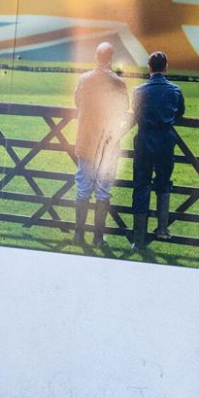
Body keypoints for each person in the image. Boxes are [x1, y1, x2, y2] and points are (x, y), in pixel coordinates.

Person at [72, 42, 130, 248]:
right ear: (111, 58)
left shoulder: (84, 79)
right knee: (103, 190)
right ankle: (98, 237)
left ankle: (78, 234)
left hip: (87, 139)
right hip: (108, 143)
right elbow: (124, 110)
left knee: (83, 188)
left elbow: (78, 102)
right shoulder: (119, 84)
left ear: (96, 57)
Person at [129, 51, 185, 251]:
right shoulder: (175, 90)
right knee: (163, 184)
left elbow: (134, 112)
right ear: (166, 67)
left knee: (141, 185)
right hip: (165, 142)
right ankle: (162, 229)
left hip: (144, 141)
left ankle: (138, 239)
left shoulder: (138, 90)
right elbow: (180, 113)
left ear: (149, 67)